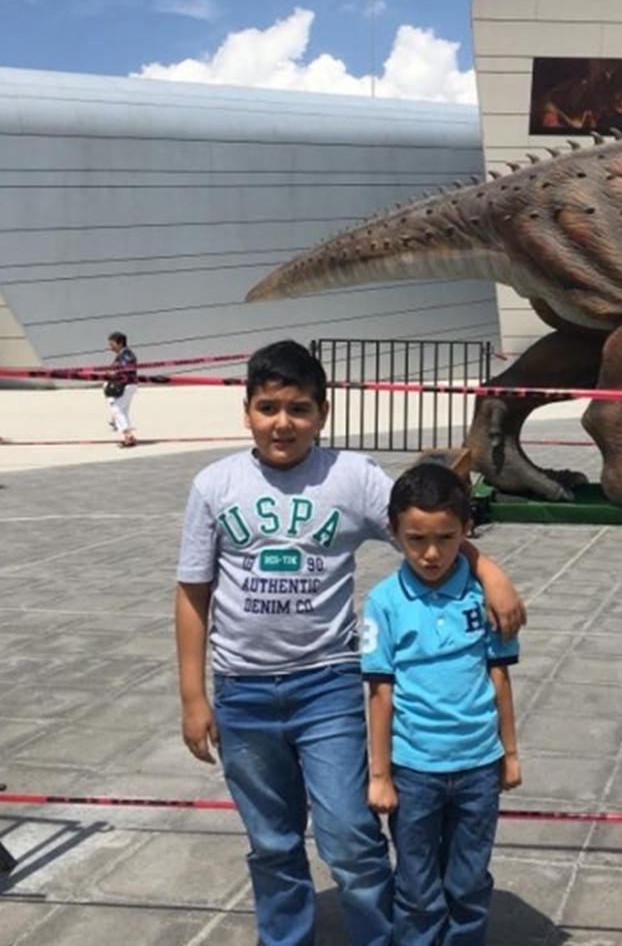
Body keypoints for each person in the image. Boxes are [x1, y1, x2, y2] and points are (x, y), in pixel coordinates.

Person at [174, 340, 525, 946]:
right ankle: (284, 937)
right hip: (243, 694)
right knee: (271, 841)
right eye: (268, 407)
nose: (283, 422)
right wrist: (192, 697)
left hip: (328, 687)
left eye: (299, 409)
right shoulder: (214, 485)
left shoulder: (351, 476)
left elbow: (420, 527)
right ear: (246, 410)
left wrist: (487, 568)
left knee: (351, 837)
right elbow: (192, 593)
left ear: (323, 412)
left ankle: (378, 937)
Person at [362, 462, 521, 946]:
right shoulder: (383, 602)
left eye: (447, 539)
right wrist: (380, 774)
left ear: (466, 530)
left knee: (469, 880)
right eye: (415, 540)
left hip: (478, 764)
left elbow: (499, 677)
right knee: (416, 884)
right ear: (394, 532)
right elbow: (379, 693)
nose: (431, 554)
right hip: (414, 770)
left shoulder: (483, 597)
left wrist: (510, 753)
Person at [105, 331, 138, 448]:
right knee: (122, 411)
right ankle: (127, 437)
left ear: (119, 343)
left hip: (127, 385)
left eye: (111, 343)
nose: (109, 346)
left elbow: (126, 368)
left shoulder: (127, 355)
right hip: (124, 385)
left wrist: (114, 373)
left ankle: (128, 435)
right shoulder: (122, 355)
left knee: (117, 410)